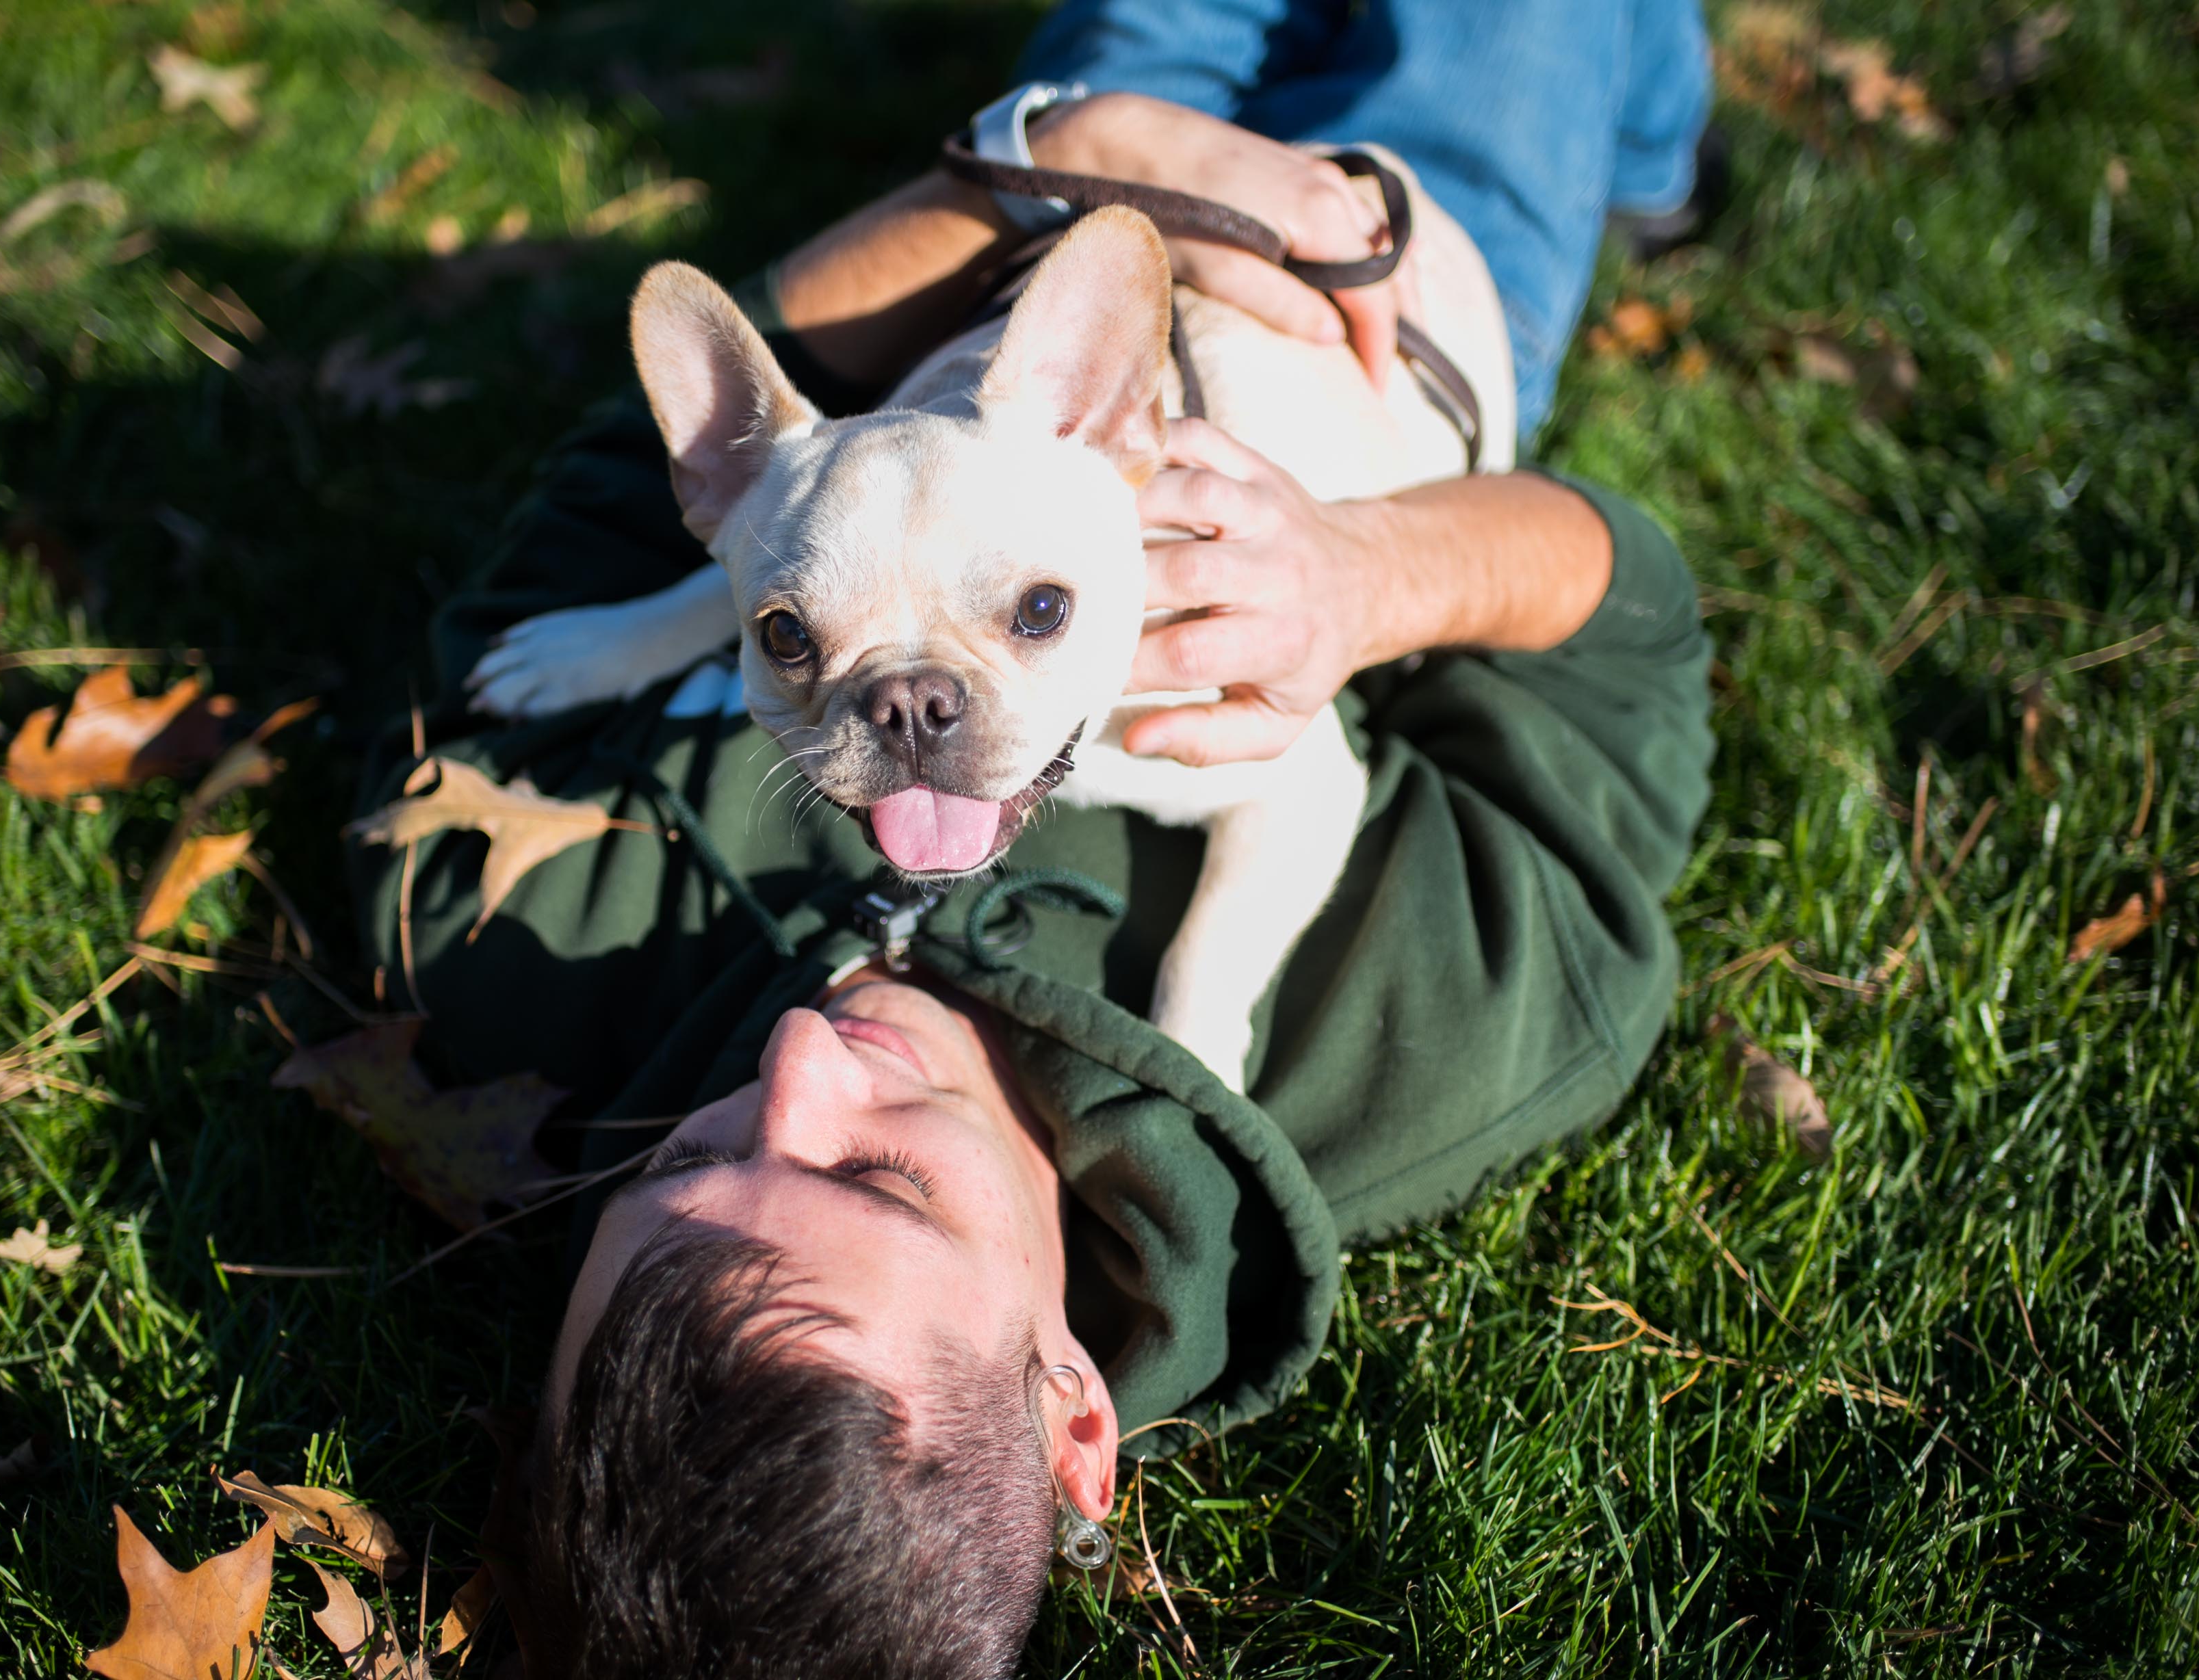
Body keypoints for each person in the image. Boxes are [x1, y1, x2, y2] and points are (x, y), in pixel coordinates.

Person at [350, 25, 1715, 1679]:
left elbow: (653, 483)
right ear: (1074, 1403)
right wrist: (1368, 578)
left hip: (1035, 244)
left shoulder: (494, 920)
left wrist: (1076, 144)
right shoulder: (1440, 1045)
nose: (798, 1065)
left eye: (674, 1168)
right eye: (878, 1179)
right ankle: (1645, 143)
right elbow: (1629, 628)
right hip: (1405, 299)